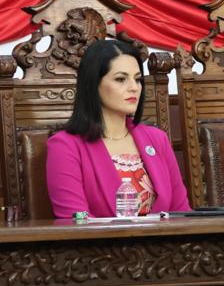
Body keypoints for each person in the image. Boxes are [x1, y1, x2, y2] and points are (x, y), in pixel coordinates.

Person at [46, 38, 190, 218]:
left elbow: (181, 212)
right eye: (121, 79)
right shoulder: (64, 146)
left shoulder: (157, 139)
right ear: (93, 84)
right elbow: (75, 222)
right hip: (100, 245)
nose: (134, 88)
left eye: (137, 80)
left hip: (166, 244)